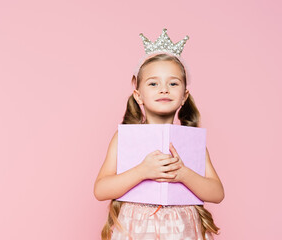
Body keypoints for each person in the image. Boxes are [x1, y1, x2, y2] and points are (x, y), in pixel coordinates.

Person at [94, 29, 225, 240]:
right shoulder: (125, 139)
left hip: (182, 229)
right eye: (153, 83)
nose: (164, 89)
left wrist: (183, 174)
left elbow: (217, 193)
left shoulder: (191, 142)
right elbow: (101, 189)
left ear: (184, 96)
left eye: (173, 83)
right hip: (136, 229)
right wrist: (143, 171)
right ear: (138, 95)